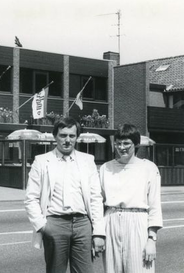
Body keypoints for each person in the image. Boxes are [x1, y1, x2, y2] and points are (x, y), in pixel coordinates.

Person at [24, 117, 105, 273]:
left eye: (72, 136)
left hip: (83, 224)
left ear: (77, 137)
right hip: (55, 223)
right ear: (55, 136)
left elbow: (95, 197)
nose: (67, 140)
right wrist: (43, 226)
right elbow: (31, 198)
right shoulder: (41, 161)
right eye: (63, 135)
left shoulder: (87, 160)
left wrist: (98, 232)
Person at [99, 124, 163, 273]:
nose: (122, 147)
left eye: (126, 143)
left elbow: (154, 205)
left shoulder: (148, 168)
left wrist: (151, 240)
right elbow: (97, 203)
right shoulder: (105, 168)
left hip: (138, 222)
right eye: (118, 143)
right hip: (111, 222)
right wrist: (99, 233)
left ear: (136, 144)